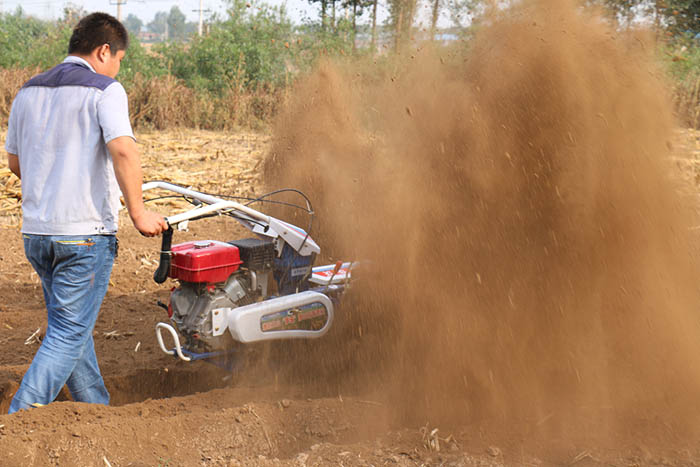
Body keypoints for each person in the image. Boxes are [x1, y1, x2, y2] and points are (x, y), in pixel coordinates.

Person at [4, 12, 168, 413]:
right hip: (84, 235)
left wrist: (53, 179)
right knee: (67, 332)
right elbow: (124, 149)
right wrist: (139, 213)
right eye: (119, 61)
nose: (116, 69)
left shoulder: (28, 90)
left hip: (38, 234)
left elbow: (14, 162)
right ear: (104, 51)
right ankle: (16, 422)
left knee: (73, 329)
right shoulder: (104, 90)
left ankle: (97, 410)